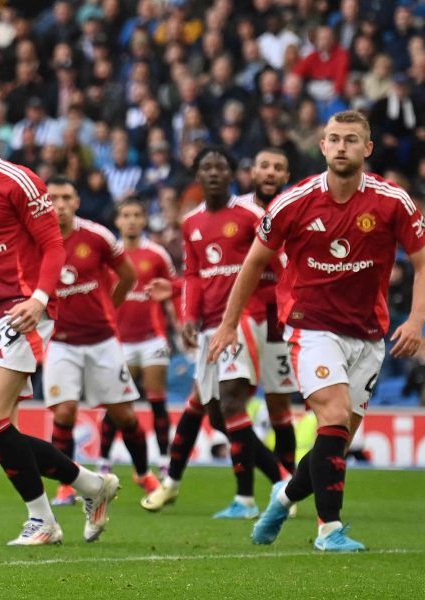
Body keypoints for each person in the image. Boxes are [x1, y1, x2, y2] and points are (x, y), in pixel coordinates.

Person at [208, 110, 425, 552]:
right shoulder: (294, 202)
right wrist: (229, 322)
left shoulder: (393, 201)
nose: (342, 146)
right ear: (322, 145)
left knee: (335, 444)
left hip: (368, 335)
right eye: (334, 139)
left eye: (352, 139)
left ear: (367, 148)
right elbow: (253, 263)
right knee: (331, 419)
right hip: (311, 328)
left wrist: (417, 320)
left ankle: (283, 496)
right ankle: (329, 530)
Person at [0, 92, 117, 546]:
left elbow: (54, 246)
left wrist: (39, 299)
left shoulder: (18, 181)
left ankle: (43, 522)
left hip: (22, 309)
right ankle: (93, 485)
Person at [141, 146, 283, 519]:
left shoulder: (253, 214)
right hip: (208, 327)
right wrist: (188, 315)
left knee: (232, 402)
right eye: (207, 167)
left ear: (234, 173)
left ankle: (246, 500)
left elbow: (280, 262)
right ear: (198, 176)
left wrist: (285, 309)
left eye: (222, 167)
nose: (215, 173)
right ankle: (284, 481)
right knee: (214, 411)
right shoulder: (191, 223)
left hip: (244, 321)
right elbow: (193, 275)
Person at [41, 176, 154, 507]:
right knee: (64, 413)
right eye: (53, 198)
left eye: (66, 197)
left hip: (102, 340)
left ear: (76, 202)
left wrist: (109, 307)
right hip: (61, 342)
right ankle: (65, 485)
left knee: (124, 416)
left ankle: (143, 473)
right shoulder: (37, 241)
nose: (59, 204)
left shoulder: (97, 235)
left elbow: (129, 276)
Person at [98, 197, 176, 478]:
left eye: (136, 215)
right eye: (125, 215)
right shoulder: (108, 254)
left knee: (157, 400)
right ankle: (104, 461)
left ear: (144, 220)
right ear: (117, 221)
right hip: (119, 340)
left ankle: (165, 460)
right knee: (117, 404)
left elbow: (172, 292)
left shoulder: (157, 254)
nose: (131, 220)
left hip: (153, 338)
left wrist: (180, 326)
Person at [235, 147, 299, 475]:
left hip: (280, 319)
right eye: (264, 166)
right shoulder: (236, 211)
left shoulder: (295, 209)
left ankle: (284, 488)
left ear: (286, 176)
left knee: (279, 405)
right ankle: (246, 492)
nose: (270, 172)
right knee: (231, 403)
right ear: (253, 173)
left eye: (278, 167)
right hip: (241, 315)